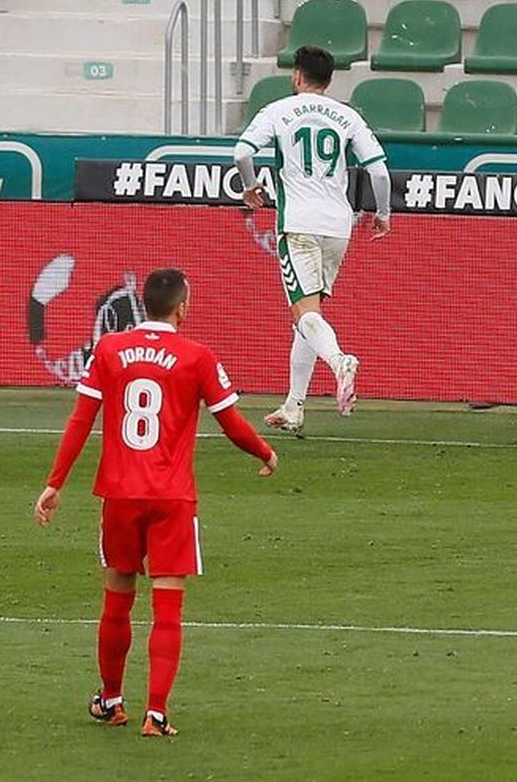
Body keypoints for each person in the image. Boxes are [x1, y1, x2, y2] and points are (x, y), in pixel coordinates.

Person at [33, 268, 278, 737]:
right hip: (171, 498)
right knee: (167, 609)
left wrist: (55, 483)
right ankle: (157, 714)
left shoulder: (109, 349)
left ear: (144, 304)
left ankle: (111, 700)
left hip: (120, 495)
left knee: (116, 601)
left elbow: (81, 419)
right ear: (182, 307)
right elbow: (231, 423)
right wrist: (265, 453)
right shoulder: (198, 356)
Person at [232, 46, 391, 433]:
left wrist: (250, 186)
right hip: (338, 226)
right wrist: (383, 214)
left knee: (305, 314)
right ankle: (294, 406)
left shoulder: (278, 110)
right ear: (329, 80)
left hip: (299, 224)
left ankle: (339, 361)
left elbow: (242, 153)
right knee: (307, 316)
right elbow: (379, 172)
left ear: (297, 76)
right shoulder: (347, 115)